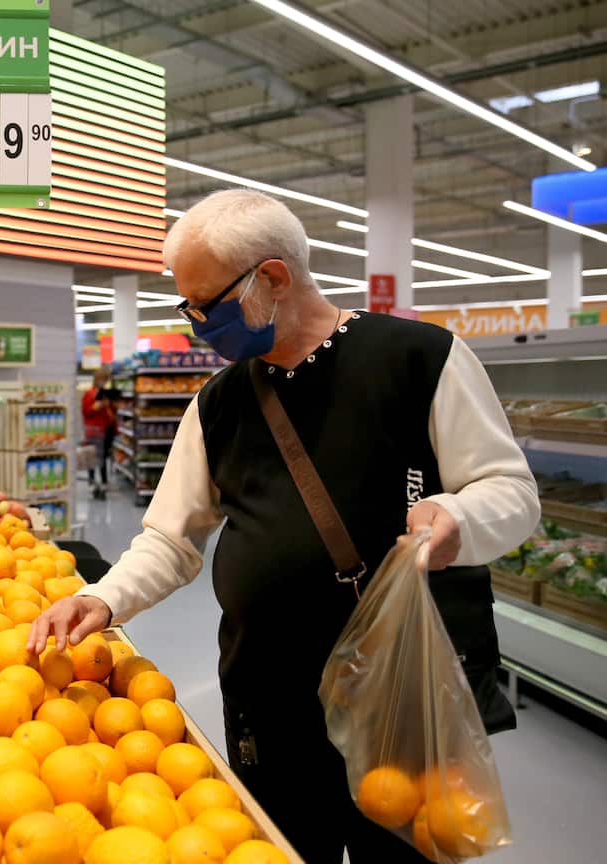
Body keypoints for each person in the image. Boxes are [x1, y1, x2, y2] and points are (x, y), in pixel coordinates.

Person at [29, 189, 539, 864]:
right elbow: (170, 540)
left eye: (206, 305)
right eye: (187, 308)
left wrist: (458, 519)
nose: (195, 325)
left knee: (406, 850)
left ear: (272, 277)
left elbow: (512, 491)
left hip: (401, 700)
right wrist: (102, 597)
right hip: (270, 702)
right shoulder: (219, 404)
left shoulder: (421, 360)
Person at [81, 367, 117, 499]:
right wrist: (97, 407)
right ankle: (92, 482)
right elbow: (86, 411)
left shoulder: (105, 394)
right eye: (103, 380)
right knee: (92, 456)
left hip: (104, 430)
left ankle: (103, 482)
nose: (104, 382)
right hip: (92, 430)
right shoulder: (89, 394)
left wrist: (111, 406)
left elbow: (111, 413)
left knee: (102, 457)